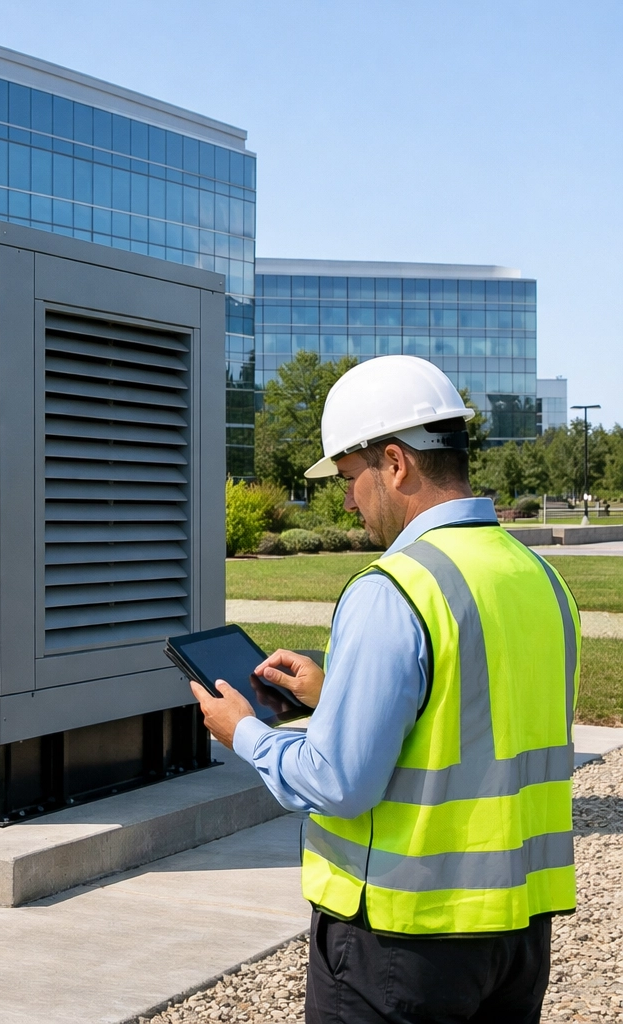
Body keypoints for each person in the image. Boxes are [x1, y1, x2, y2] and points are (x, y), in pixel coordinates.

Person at [190, 355, 580, 1024]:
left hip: (403, 937)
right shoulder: (540, 579)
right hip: (517, 932)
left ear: (394, 463)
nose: (346, 501)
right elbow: (480, 708)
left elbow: (338, 783)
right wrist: (337, 692)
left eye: (347, 478)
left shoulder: (395, 588)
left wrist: (244, 733)